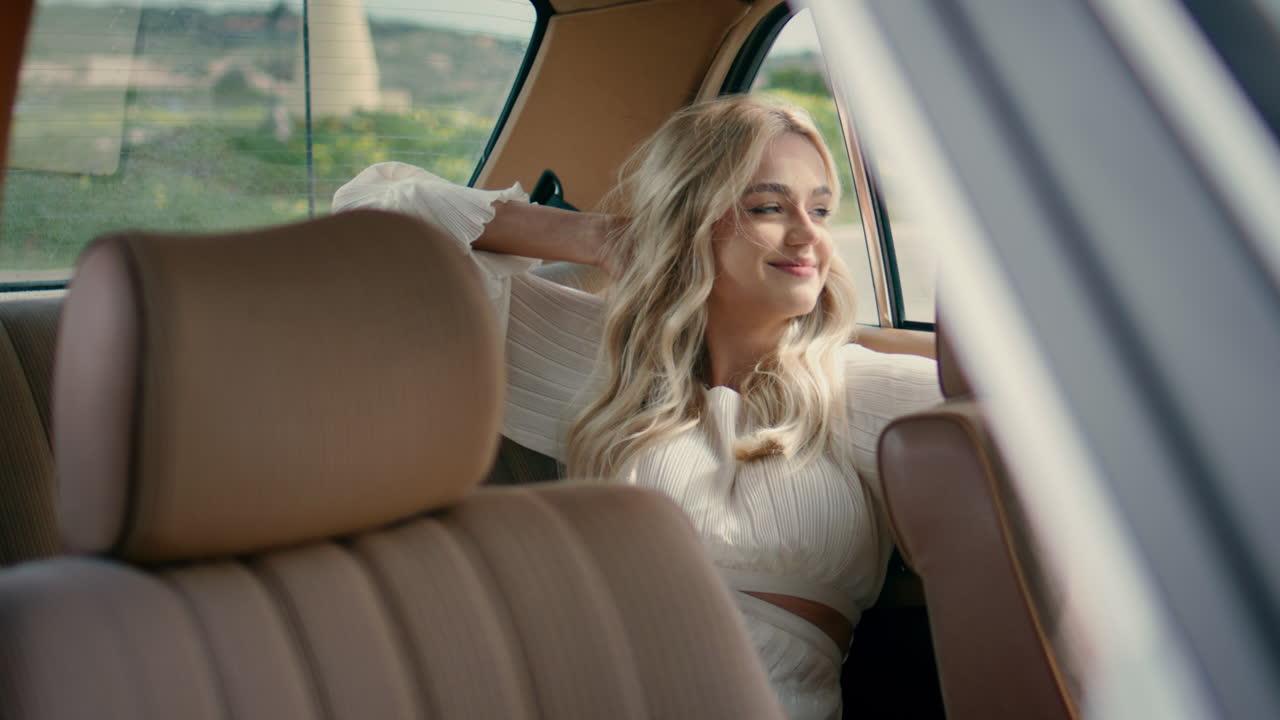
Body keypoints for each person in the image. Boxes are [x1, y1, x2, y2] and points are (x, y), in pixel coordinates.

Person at [333, 94, 941, 720]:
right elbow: (376, 213)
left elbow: (1031, 436)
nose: (810, 235)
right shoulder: (596, 356)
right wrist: (601, 238)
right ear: (687, 219)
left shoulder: (858, 387)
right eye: (768, 206)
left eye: (819, 208)